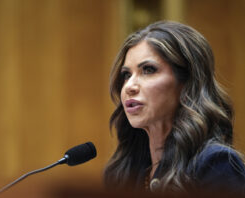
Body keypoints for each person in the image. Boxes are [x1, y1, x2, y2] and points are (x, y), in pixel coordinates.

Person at [104, 21, 245, 193]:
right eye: (126, 75)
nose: (129, 86)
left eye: (148, 70)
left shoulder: (215, 165)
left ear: (186, 83)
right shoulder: (123, 173)